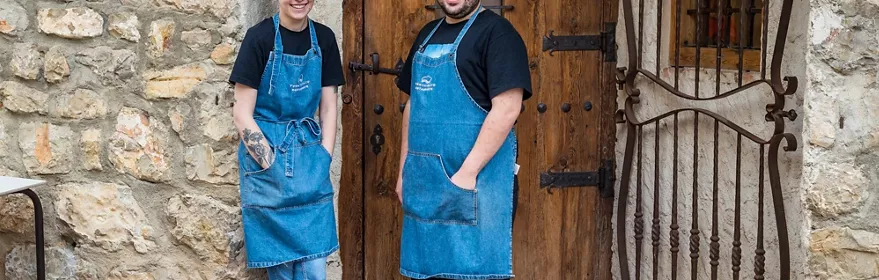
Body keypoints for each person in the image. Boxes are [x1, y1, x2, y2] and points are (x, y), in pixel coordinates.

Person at [394, 0, 533, 279]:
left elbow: (507, 107)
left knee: (472, 274)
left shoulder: (499, 34)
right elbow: (414, 105)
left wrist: (466, 175)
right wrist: (403, 172)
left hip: (474, 186)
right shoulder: (427, 34)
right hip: (425, 185)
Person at [229, 0, 344, 279]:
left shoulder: (325, 38)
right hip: (267, 162)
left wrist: (324, 156)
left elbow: (329, 106)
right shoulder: (259, 38)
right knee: (280, 269)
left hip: (309, 160)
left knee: (315, 268)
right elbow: (242, 113)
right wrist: (269, 164)